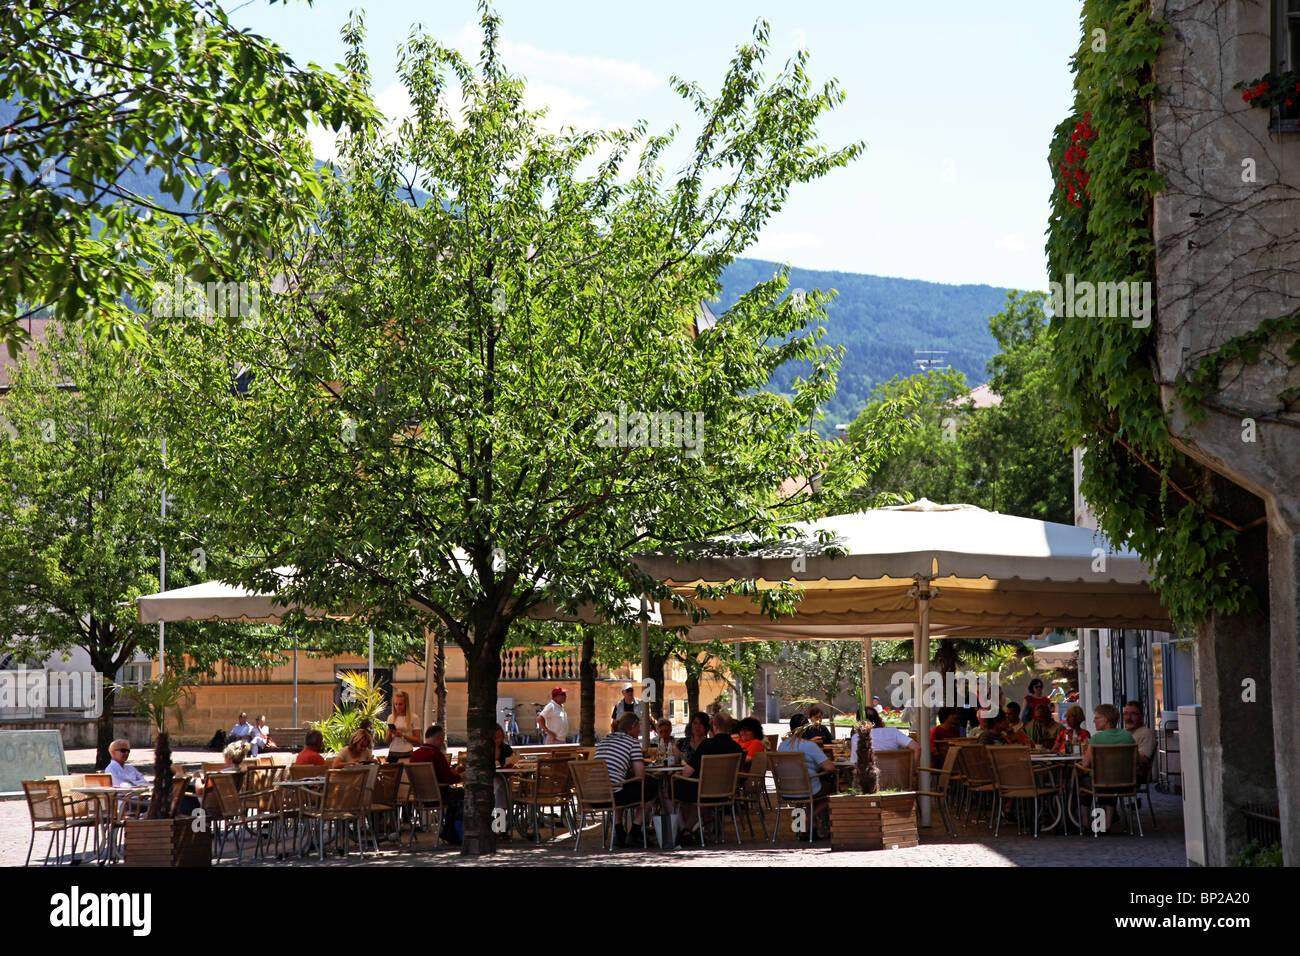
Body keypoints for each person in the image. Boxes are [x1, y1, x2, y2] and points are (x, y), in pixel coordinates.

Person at [672, 712, 744, 844]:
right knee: (694, 794)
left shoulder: (707, 745)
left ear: (715, 727)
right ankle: (689, 830)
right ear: (729, 728)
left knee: (671, 789)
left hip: (703, 792)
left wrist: (676, 775)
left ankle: (684, 829)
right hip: (726, 794)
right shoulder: (738, 748)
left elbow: (687, 773)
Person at [595, 712, 659, 846]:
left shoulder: (604, 740)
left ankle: (619, 831)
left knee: (619, 785)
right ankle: (635, 831)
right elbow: (640, 776)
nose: (639, 730)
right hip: (614, 795)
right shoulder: (632, 742)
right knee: (653, 786)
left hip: (594, 795)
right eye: (638, 727)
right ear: (632, 727)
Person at [1079, 703, 1135, 833]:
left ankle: (1085, 821)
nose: (1093, 721)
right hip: (1125, 783)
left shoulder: (1096, 739)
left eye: (1096, 718)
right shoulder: (1127, 737)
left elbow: (1085, 765)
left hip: (1100, 783)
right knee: (1109, 778)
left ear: (1105, 720)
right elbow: (1135, 760)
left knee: (1083, 781)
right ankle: (1107, 822)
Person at [777, 721, 837, 835]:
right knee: (835, 791)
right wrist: (820, 767)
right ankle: (809, 817)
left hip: (787, 789)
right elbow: (830, 768)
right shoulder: (809, 745)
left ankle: (805, 830)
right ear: (807, 729)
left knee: (808, 794)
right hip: (809, 788)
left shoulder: (782, 746)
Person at [410, 724, 464, 843]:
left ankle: (450, 831)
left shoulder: (414, 755)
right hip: (440, 795)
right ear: (437, 737)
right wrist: (460, 775)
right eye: (442, 739)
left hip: (421, 797)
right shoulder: (436, 754)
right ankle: (453, 831)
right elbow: (448, 778)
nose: (442, 742)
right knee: (464, 794)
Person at [850, 707, 920, 761]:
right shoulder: (893, 732)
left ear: (859, 722)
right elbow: (917, 748)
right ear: (878, 719)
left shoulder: (857, 737)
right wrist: (912, 770)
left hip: (868, 778)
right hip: (895, 778)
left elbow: (854, 762)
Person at [1122, 700, 1157, 780]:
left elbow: (1144, 759)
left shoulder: (1146, 733)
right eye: (1126, 714)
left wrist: (1120, 753)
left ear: (1141, 717)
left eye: (1133, 714)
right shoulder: (1122, 732)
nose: (1128, 717)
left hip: (1133, 774)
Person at [386, 690, 421, 762]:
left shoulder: (414, 717)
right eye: (396, 704)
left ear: (406, 704)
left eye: (400, 704)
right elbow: (387, 741)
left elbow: (417, 739)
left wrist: (402, 735)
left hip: (407, 752)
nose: (397, 707)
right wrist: (390, 732)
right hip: (393, 752)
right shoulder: (391, 717)